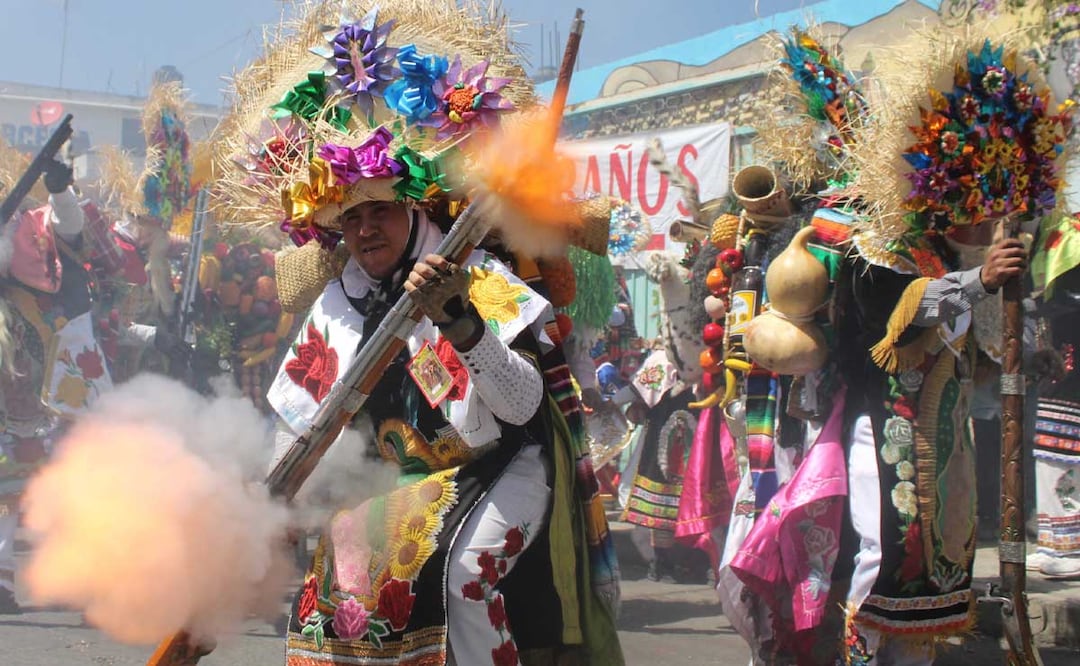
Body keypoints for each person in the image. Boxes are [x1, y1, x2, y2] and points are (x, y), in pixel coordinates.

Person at [210, 1, 623, 663]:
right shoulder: (341, 303)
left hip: (500, 468)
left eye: (380, 210)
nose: (366, 229)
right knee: (332, 590)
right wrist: (264, 490)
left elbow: (519, 407)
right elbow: (303, 420)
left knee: (462, 578)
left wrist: (459, 322)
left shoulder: (477, 274)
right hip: (400, 485)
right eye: (351, 219)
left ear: (413, 209)